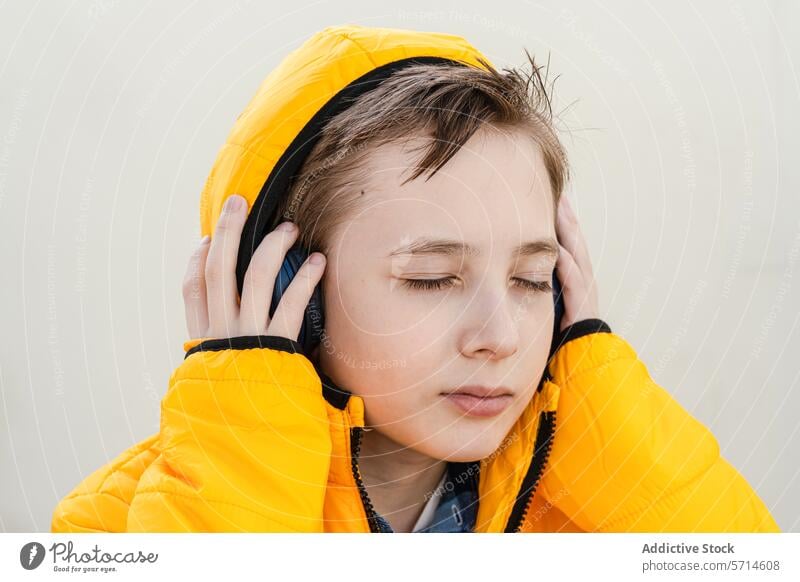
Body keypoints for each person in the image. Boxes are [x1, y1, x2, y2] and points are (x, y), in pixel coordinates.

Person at [51, 24, 779, 533]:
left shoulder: (597, 511)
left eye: (532, 279)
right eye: (431, 278)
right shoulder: (112, 530)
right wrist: (246, 449)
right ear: (279, 293)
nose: (501, 338)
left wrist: (602, 404)